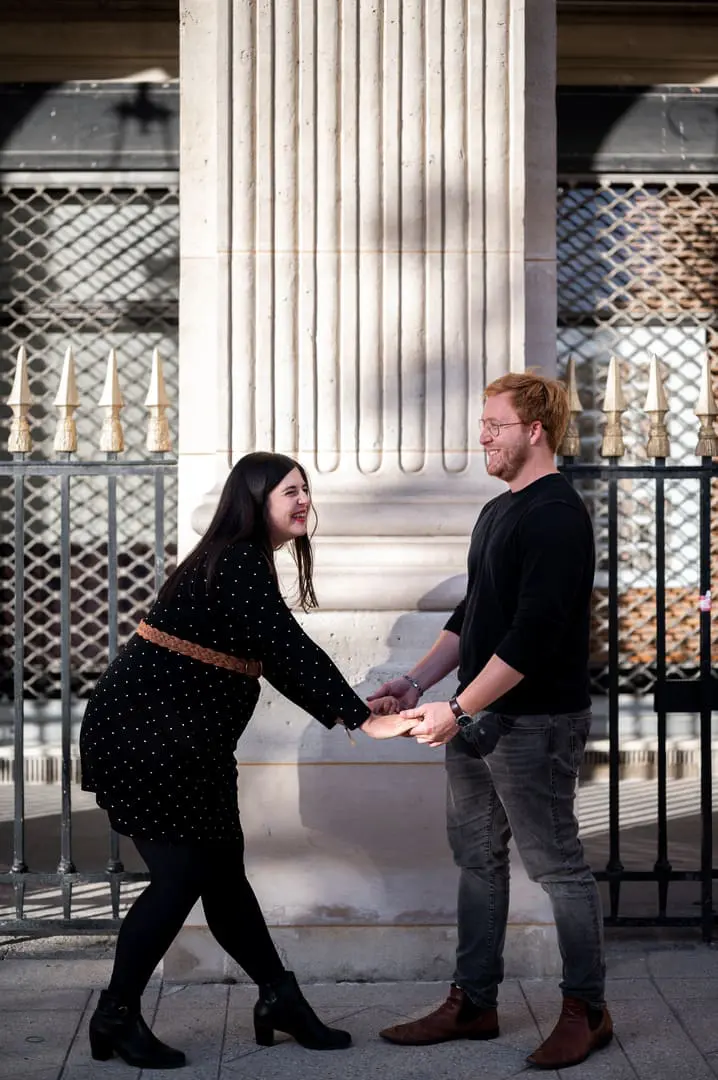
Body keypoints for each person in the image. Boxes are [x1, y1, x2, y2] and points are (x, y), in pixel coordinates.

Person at [80, 451, 411, 1070]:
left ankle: (278, 998)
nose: (304, 500)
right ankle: (115, 1014)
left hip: (184, 745)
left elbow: (277, 657)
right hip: (152, 742)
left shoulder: (239, 563)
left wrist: (349, 708)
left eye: (306, 490)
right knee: (181, 879)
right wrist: (361, 717)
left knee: (222, 874)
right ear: (253, 499)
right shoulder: (235, 559)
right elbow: (285, 644)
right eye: (290, 490)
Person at [369, 372, 611, 1070]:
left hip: (534, 724)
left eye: (495, 425)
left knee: (557, 866)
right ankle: (473, 1003)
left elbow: (534, 635)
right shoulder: (498, 511)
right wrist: (414, 681)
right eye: (484, 424)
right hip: (477, 720)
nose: (483, 435)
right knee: (477, 861)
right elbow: (472, 617)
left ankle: (586, 1010)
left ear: (535, 430)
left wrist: (459, 706)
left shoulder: (558, 515)